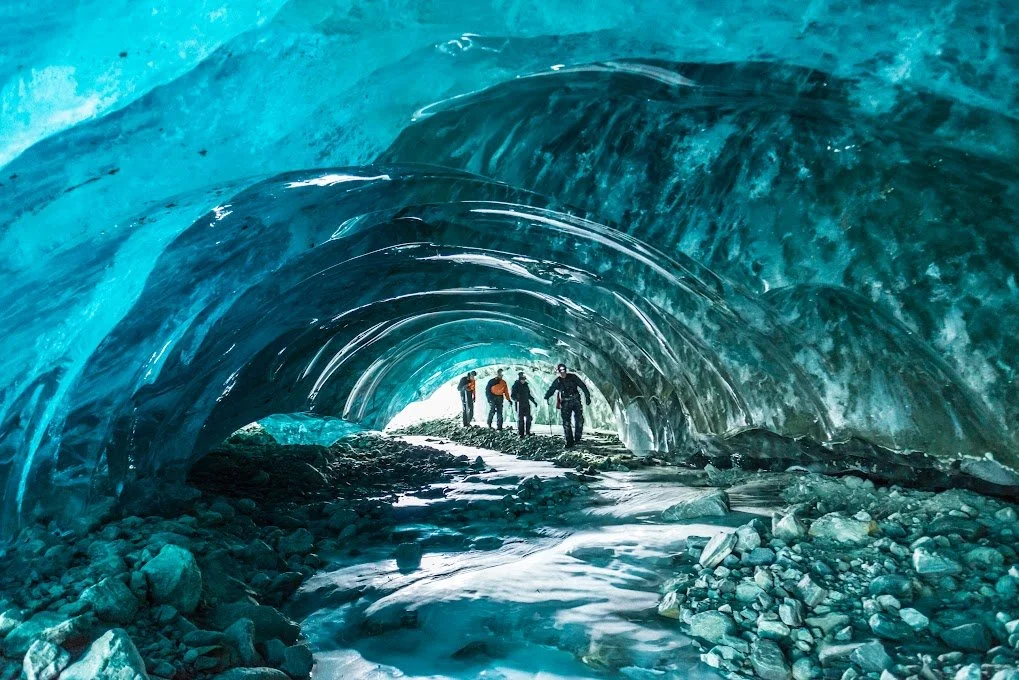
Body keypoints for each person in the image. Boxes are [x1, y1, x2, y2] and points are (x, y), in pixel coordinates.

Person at [543, 363, 591, 448]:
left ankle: (577, 438)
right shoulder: (557, 381)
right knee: (566, 422)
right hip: (565, 402)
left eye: (564, 370)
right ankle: (569, 441)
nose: (563, 372)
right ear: (558, 371)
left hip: (575, 400)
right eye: (560, 370)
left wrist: (587, 396)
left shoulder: (573, 377)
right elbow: (552, 389)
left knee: (579, 420)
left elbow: (582, 386)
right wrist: (547, 396)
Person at [510, 371, 539, 438]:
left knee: (528, 418)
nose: (523, 380)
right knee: (521, 419)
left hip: (526, 404)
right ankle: (521, 433)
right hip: (519, 404)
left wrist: (534, 401)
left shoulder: (526, 385)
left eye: (524, 379)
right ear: (520, 379)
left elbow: (528, 395)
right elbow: (512, 395)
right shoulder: (515, 386)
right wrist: (516, 400)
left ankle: (528, 432)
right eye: (522, 379)